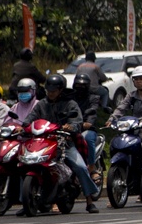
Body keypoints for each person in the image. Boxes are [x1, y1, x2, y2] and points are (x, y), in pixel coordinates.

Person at [40, 75, 99, 212]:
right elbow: (31, 118)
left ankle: (89, 200)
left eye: (54, 91)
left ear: (60, 90)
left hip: (65, 143)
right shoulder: (41, 104)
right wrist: (23, 126)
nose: (51, 93)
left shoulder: (71, 104)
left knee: (80, 167)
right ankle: (28, 202)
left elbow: (77, 122)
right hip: (45, 144)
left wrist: (71, 127)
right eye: (49, 90)